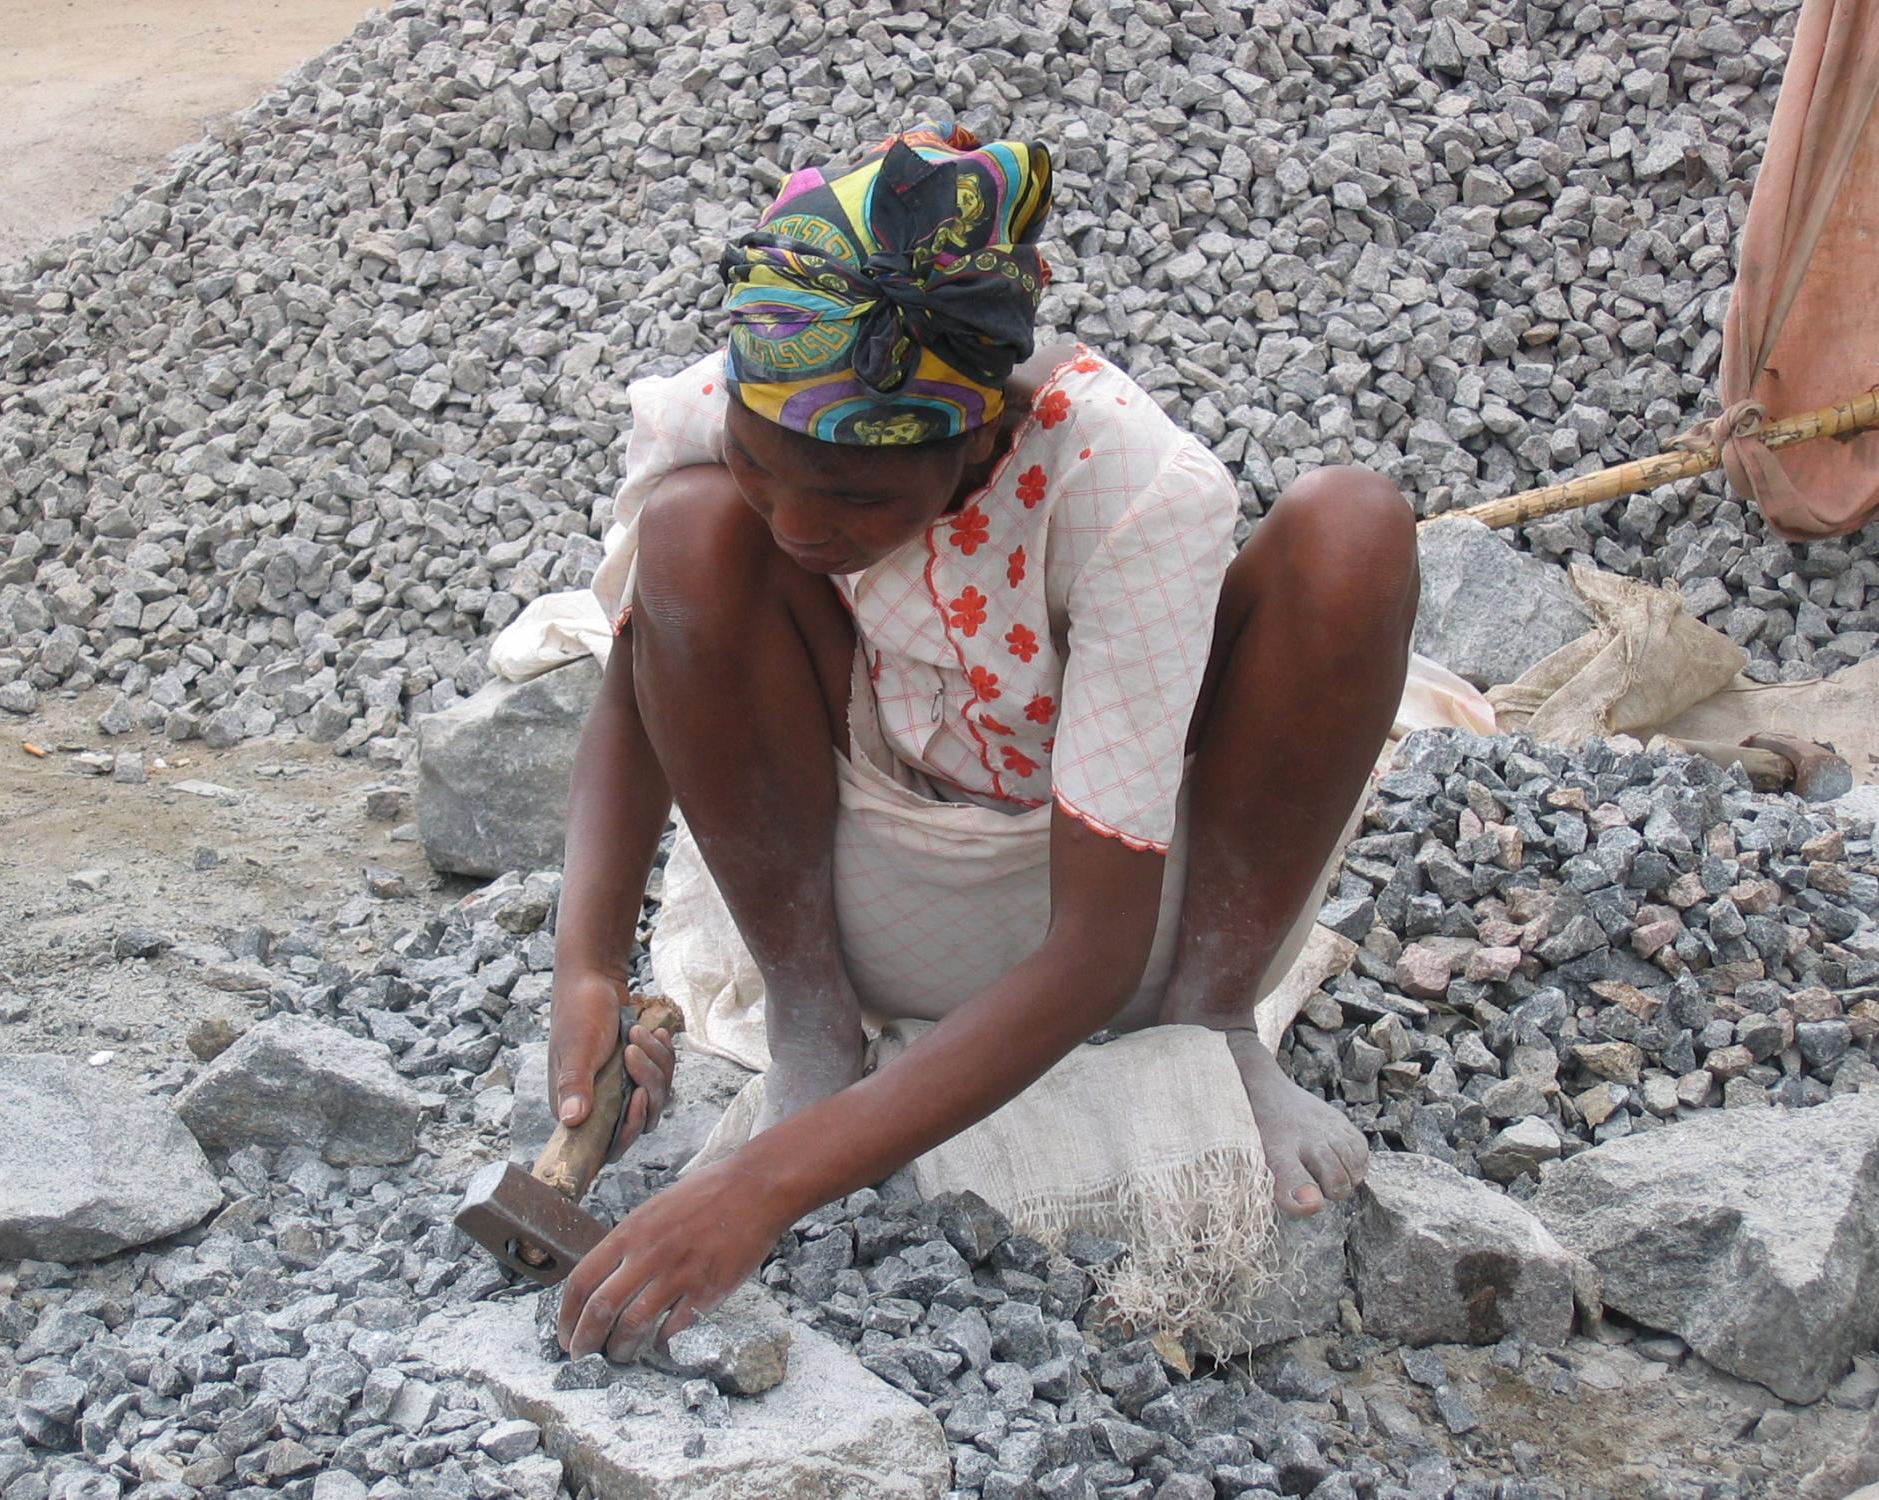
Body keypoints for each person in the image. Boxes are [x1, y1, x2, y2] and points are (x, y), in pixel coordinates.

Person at [542, 126, 1418, 1360]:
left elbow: (1093, 950)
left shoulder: (1130, 488)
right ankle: (813, 1031)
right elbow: (637, 686)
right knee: (684, 534)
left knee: (1353, 530)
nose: (797, 524)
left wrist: (768, 1185)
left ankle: (1213, 1033)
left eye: (854, 499)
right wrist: (584, 964)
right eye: (762, 467)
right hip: (863, 876)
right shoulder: (744, 386)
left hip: (1128, 918)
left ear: (984, 445)